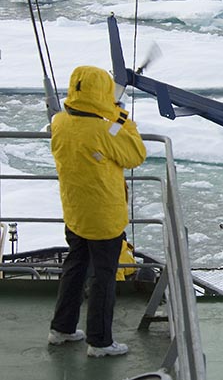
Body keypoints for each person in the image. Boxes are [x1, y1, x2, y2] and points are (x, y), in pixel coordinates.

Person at [47, 65, 146, 357]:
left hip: (76, 213)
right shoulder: (104, 130)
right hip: (104, 218)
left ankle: (61, 328)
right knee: (103, 278)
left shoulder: (60, 122)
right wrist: (120, 116)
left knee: (75, 268)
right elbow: (135, 154)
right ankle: (100, 342)